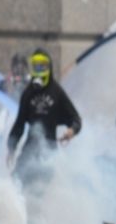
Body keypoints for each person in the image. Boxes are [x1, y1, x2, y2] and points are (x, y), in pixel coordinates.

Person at [7, 49, 82, 188]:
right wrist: (11, 148)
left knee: (40, 189)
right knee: (15, 183)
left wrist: (71, 131)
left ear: (49, 67)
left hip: (49, 149)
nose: (39, 70)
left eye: (42, 66)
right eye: (36, 66)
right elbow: (19, 123)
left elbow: (76, 119)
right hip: (30, 148)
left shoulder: (56, 91)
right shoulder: (28, 93)